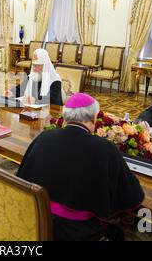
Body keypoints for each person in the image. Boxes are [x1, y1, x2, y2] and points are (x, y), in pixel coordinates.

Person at [17, 93, 144, 241]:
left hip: (35, 218)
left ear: (66, 117)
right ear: (93, 119)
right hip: (76, 232)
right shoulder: (105, 148)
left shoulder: (44, 136)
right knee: (118, 234)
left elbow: (23, 177)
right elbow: (132, 195)